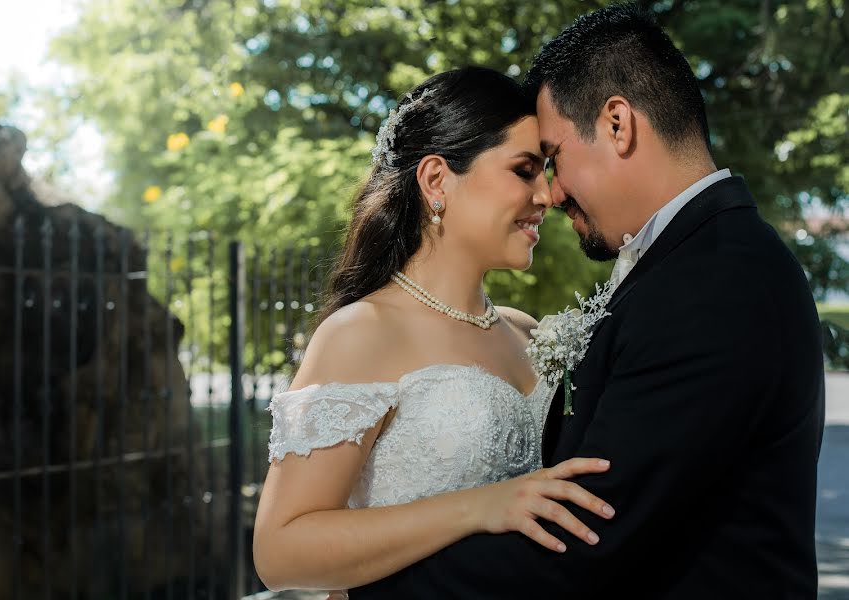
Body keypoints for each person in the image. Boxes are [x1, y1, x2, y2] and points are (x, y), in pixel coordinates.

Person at [351, 4, 825, 599]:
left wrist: (369, 592)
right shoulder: (692, 264)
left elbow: (584, 540)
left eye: (551, 158)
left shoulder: (715, 280)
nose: (549, 191)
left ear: (618, 123)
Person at [252, 66, 616, 595]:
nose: (548, 194)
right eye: (524, 170)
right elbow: (281, 551)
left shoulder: (528, 334)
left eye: (547, 170)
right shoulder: (361, 332)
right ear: (436, 179)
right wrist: (478, 508)